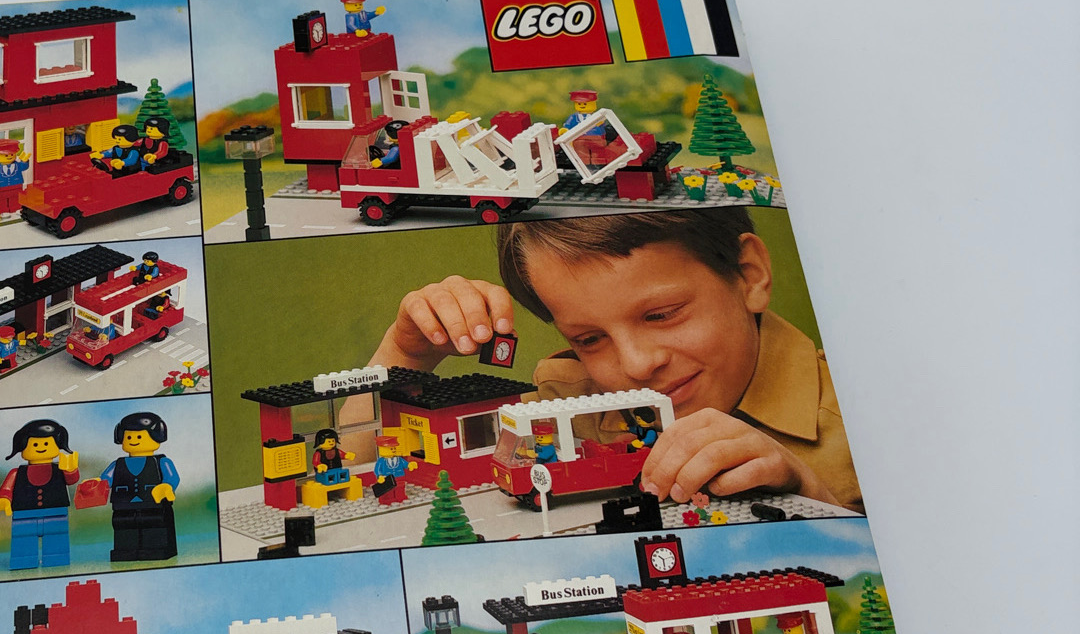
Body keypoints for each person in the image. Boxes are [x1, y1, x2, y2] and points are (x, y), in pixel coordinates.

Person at [362, 210, 861, 510]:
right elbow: (364, 469)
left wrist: (811, 494)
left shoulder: (865, 415)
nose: (637, 365)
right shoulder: (572, 402)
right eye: (589, 339)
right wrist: (406, 354)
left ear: (749, 275)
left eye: (661, 314)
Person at [0, 418, 79, 571]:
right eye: (35, 444)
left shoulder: (61, 468)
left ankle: (56, 558)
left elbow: (71, 480)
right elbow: (7, 489)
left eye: (46, 444)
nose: (41, 448)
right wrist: (3, 499)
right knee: (23, 540)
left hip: (56, 513)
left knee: (56, 539)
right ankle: (23, 560)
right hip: (24, 515)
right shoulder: (17, 473)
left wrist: (71, 470)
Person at [97, 411, 180, 561]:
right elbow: (105, 479)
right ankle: (125, 550)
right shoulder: (118, 464)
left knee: (155, 526)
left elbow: (172, 477)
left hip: (154, 504)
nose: (133, 440)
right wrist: (96, 485)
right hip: (123, 506)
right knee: (124, 528)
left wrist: (167, 486)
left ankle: (155, 549)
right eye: (129, 437)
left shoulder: (162, 462)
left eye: (139, 436)